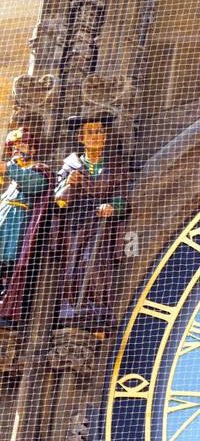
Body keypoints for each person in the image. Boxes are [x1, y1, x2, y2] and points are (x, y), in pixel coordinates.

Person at [54, 115, 129, 331]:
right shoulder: (70, 166)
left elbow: (124, 198)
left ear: (105, 137)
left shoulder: (115, 166)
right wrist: (68, 185)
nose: (95, 136)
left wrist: (112, 206)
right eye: (90, 132)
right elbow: (57, 201)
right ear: (81, 137)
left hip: (101, 223)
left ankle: (96, 309)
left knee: (95, 263)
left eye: (99, 132)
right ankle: (71, 309)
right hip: (76, 223)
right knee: (72, 267)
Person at [0, 124, 52, 328]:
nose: (17, 151)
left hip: (17, 228)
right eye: (14, 147)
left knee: (10, 268)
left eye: (22, 146)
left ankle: (7, 308)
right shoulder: (12, 181)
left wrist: (9, 168)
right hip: (4, 224)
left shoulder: (40, 170)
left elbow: (35, 184)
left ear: (32, 149)